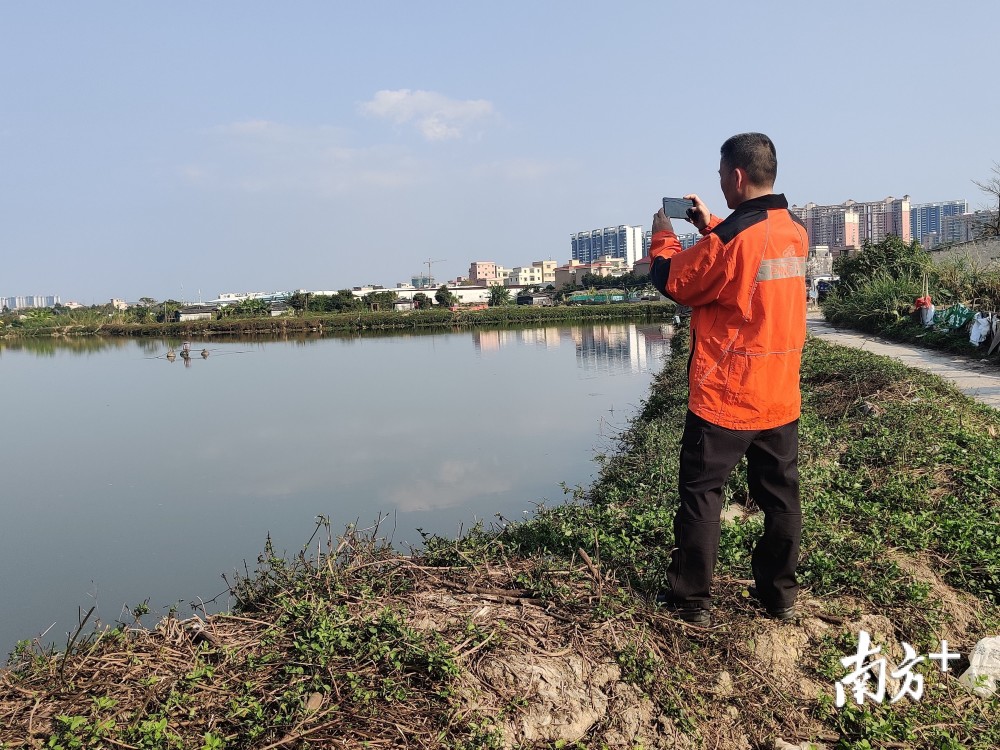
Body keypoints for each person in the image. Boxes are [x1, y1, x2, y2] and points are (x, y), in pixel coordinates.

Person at [647, 132, 808, 625]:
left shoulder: (732, 238)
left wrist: (663, 235)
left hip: (727, 394)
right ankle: (779, 597)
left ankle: (692, 600)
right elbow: (745, 258)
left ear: (736, 175)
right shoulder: (795, 230)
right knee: (781, 499)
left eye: (721, 175)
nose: (719, 183)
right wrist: (710, 224)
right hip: (779, 394)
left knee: (701, 495)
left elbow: (675, 279)